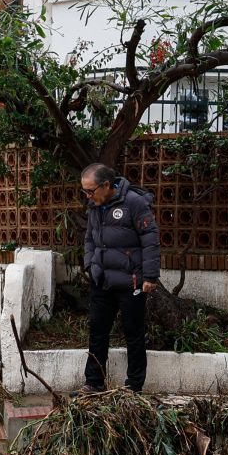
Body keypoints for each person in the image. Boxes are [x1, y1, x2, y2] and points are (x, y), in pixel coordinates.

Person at [79, 162, 160, 393]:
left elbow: (150, 239)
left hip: (130, 282)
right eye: (84, 191)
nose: (88, 196)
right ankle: (94, 382)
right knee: (97, 331)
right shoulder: (95, 206)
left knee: (133, 333)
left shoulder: (134, 203)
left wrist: (150, 276)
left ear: (106, 185)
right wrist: (90, 264)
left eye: (90, 191)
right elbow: (90, 239)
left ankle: (134, 386)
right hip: (102, 281)